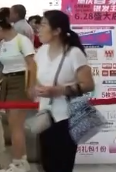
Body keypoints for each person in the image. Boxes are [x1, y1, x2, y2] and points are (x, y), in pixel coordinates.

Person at [33, 10, 94, 172]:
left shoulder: (73, 53)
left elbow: (88, 84)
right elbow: (37, 79)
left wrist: (59, 90)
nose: (39, 29)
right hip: (45, 116)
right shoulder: (41, 52)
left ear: (57, 31)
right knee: (47, 164)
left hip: (67, 117)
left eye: (43, 25)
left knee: (62, 164)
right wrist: (36, 89)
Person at [0, 9, 35, 172]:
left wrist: (31, 86)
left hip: (20, 82)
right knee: (11, 124)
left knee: (16, 126)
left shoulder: (22, 41)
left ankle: (19, 162)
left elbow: (32, 65)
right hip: (6, 82)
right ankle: (20, 161)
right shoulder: (2, 43)